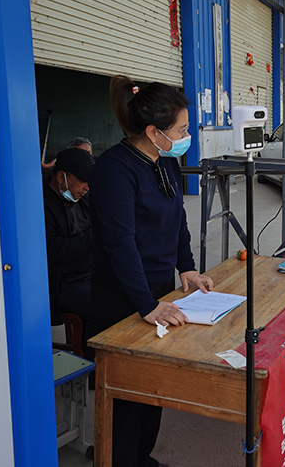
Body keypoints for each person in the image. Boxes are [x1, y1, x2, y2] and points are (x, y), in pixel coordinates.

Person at [88, 75, 213, 467]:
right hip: (123, 295)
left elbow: (177, 220)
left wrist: (187, 268)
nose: (186, 135)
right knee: (126, 393)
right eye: (181, 129)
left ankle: (142, 457)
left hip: (158, 289)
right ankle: (120, 459)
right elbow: (120, 244)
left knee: (154, 385)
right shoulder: (114, 169)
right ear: (153, 131)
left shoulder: (167, 162)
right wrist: (147, 304)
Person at [43, 147, 95, 328]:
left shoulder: (85, 198)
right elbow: (51, 248)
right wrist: (94, 240)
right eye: (82, 181)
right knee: (105, 304)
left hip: (93, 273)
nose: (87, 187)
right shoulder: (41, 203)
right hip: (64, 283)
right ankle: (90, 355)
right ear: (61, 177)